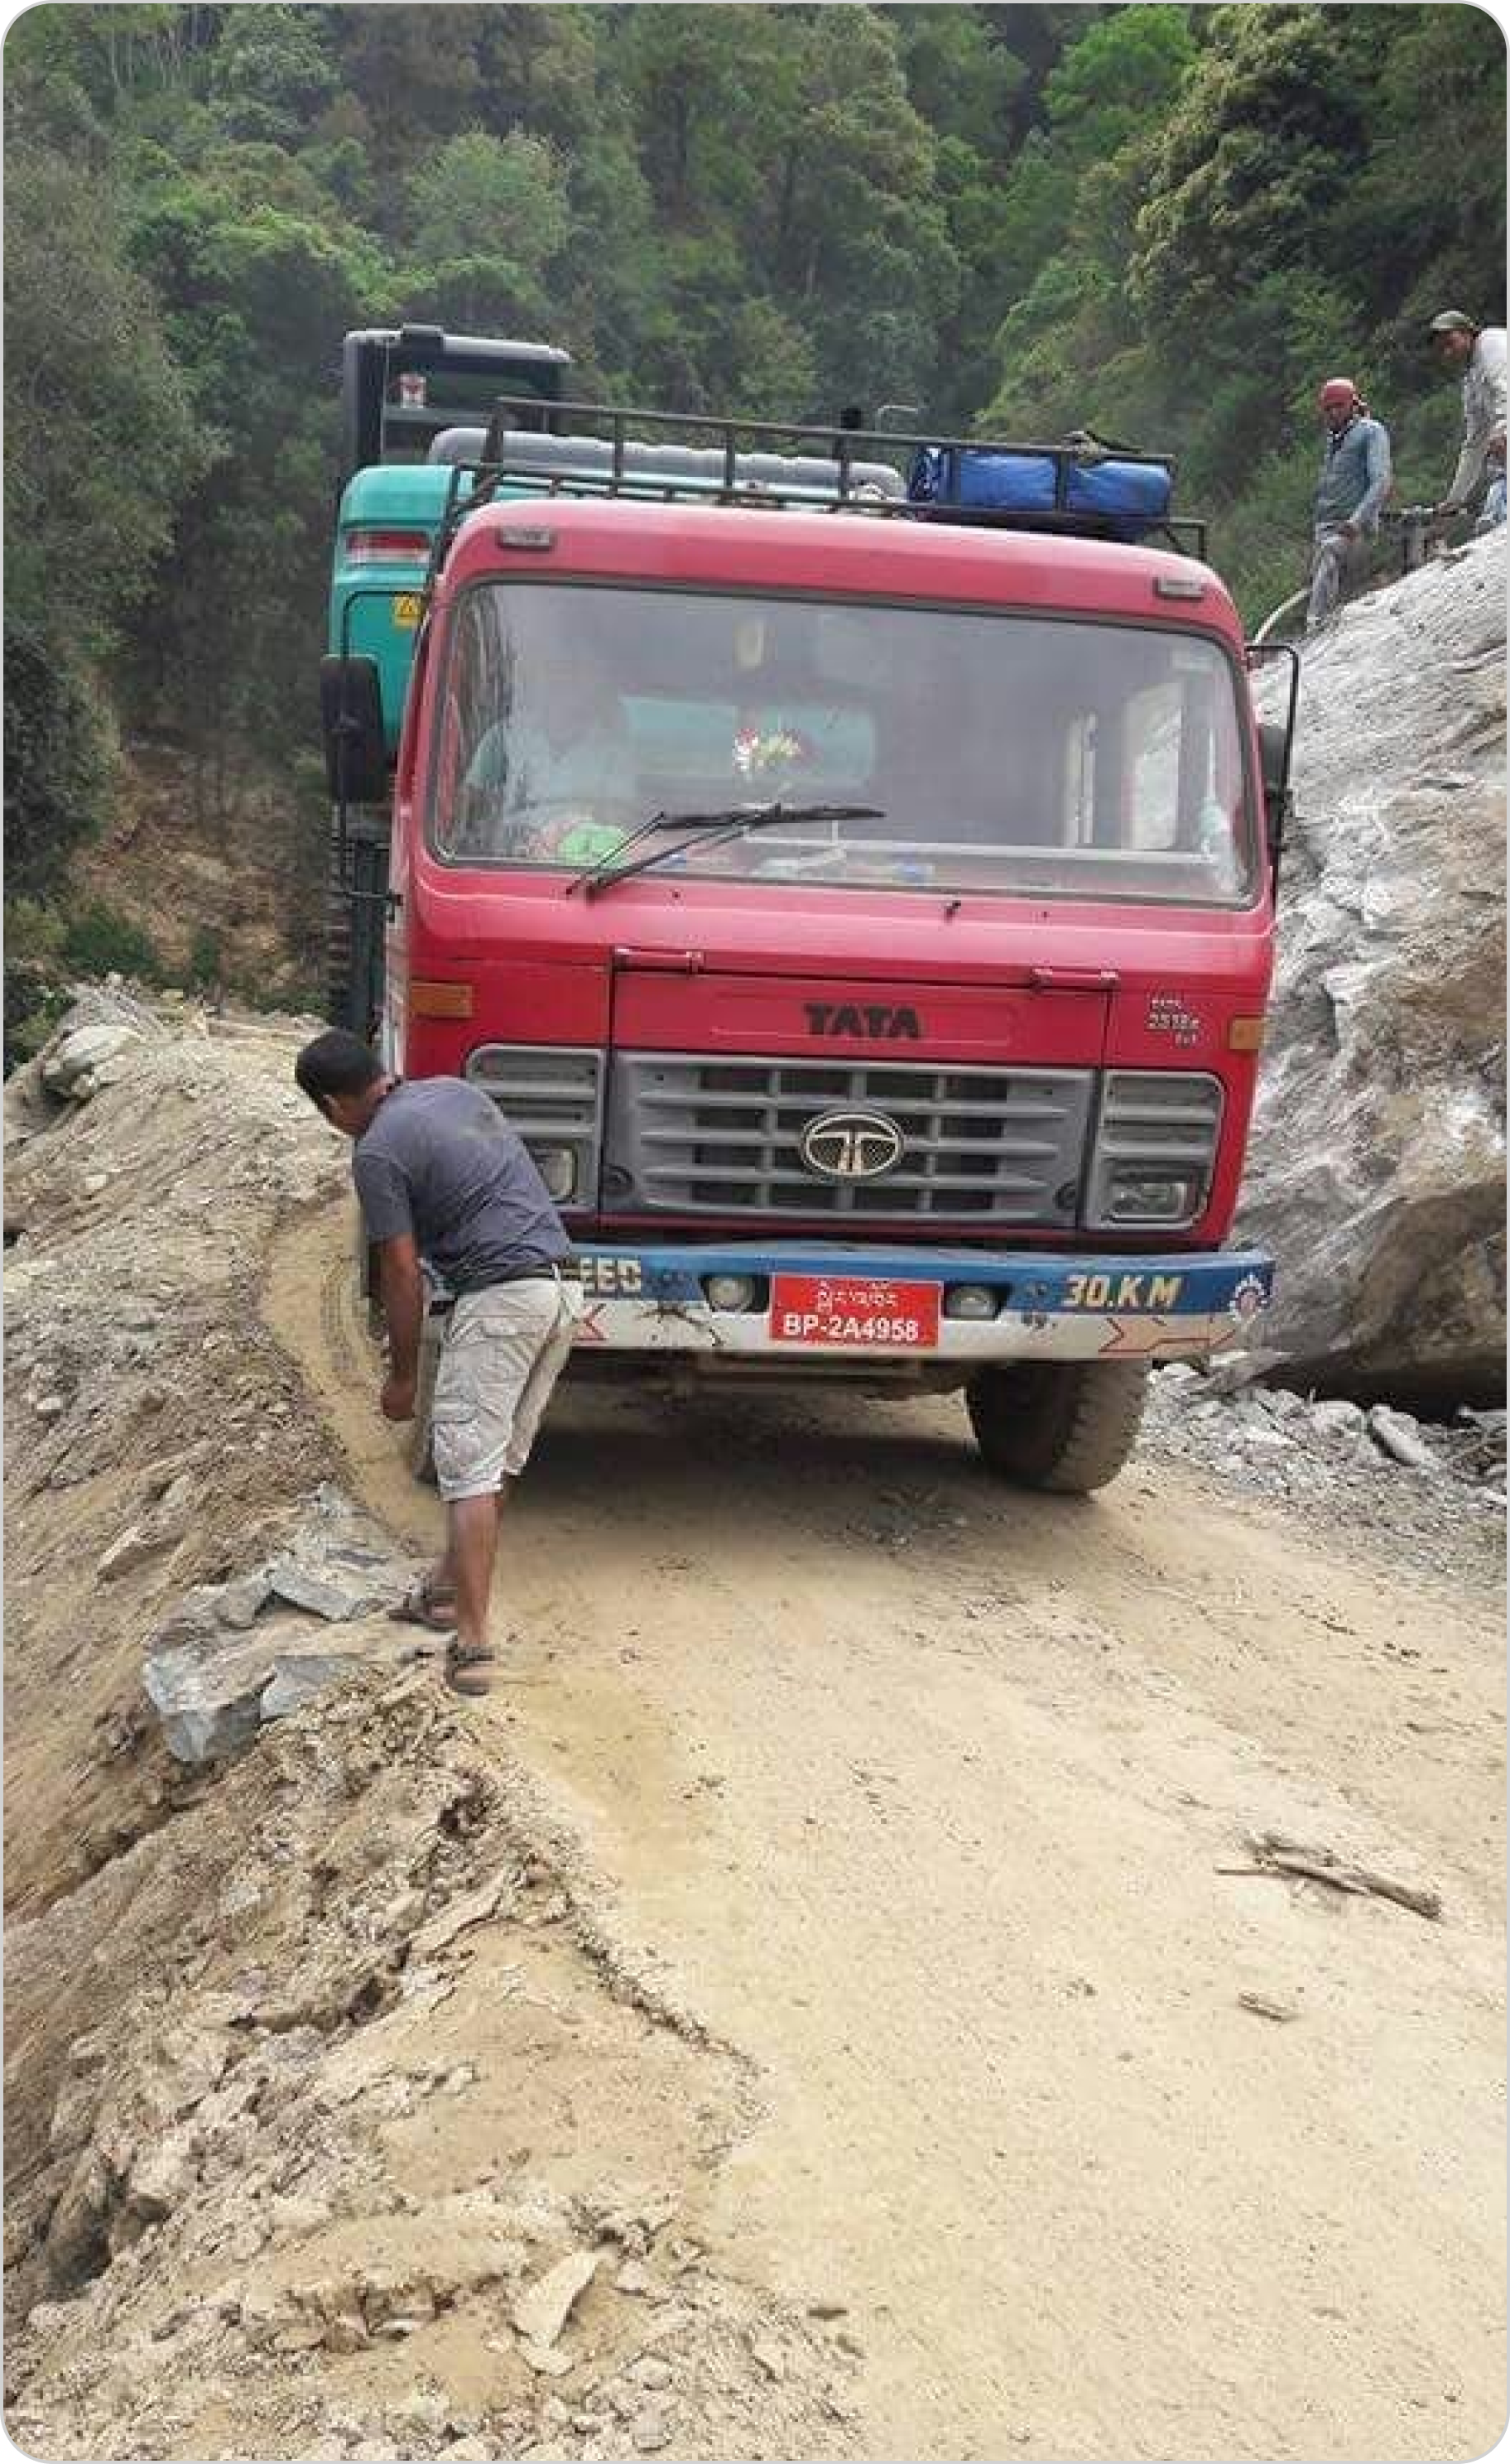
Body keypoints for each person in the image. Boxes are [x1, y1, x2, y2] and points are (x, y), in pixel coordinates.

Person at [293, 1031, 580, 1696]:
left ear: (334, 1106)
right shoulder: (455, 1091)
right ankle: (444, 1593)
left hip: (500, 1298)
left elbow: (400, 1271)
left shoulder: (377, 1151)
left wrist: (401, 1376)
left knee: (468, 1472)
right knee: (495, 1462)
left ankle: (474, 1643)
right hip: (562, 1289)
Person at [1306, 377, 1392, 631]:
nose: (1333, 413)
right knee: (1319, 579)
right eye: (1328, 409)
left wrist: (1357, 520)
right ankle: (1328, 623)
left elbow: (1381, 481)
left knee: (1330, 555)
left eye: (1338, 406)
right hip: (1325, 527)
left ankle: (1315, 627)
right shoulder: (1333, 440)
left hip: (1354, 528)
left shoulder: (1371, 432)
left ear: (1353, 405)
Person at [1427, 310, 1507, 530]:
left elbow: (1504, 392)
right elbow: (1474, 443)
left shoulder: (1492, 346)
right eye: (1442, 349)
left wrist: (1501, 432)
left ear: (1468, 333)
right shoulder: (1471, 381)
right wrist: (1455, 499)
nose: (1447, 352)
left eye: (1450, 343)